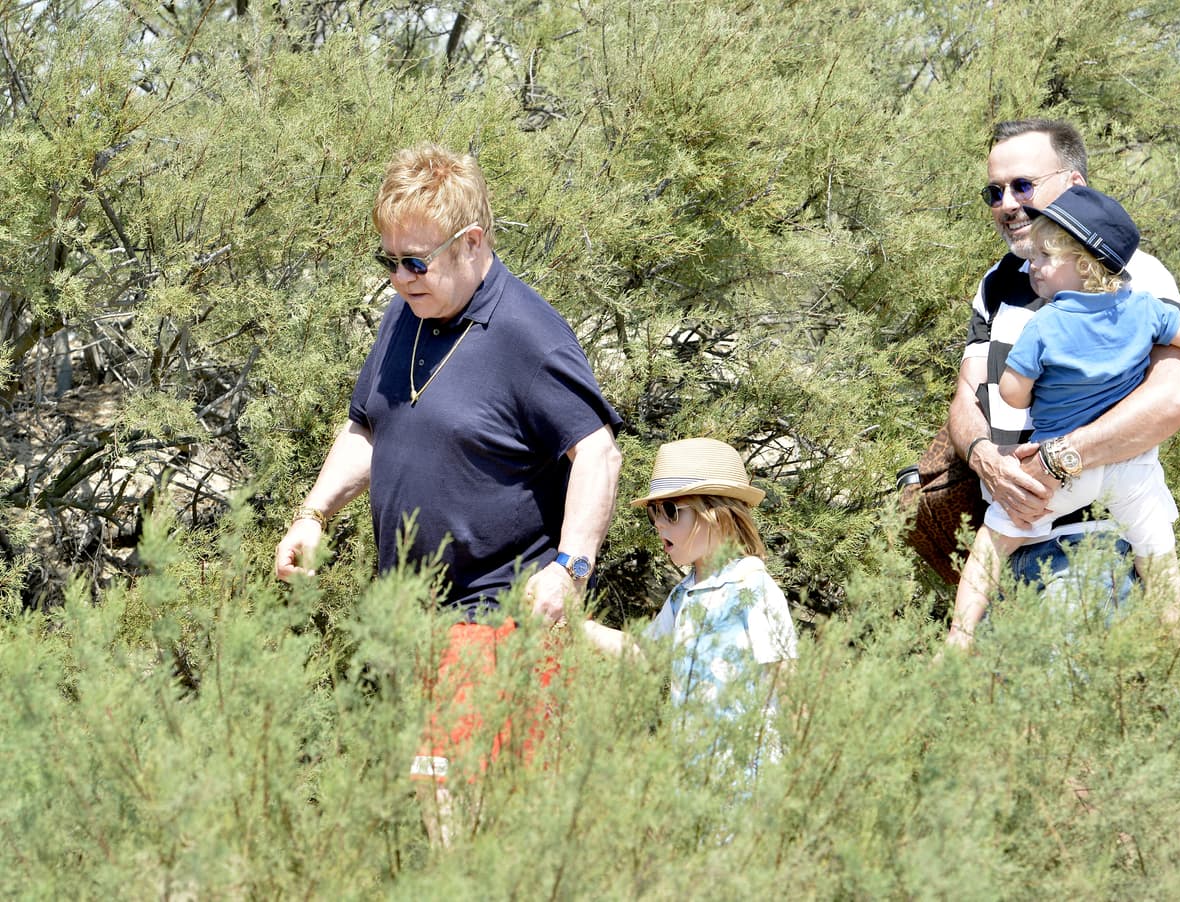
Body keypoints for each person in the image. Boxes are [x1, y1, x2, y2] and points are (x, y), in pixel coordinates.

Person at [272, 144, 623, 818]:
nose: (400, 278)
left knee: (447, 798)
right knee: (459, 813)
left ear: (471, 243)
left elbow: (597, 452)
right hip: (411, 616)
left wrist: (572, 567)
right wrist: (313, 516)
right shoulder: (405, 315)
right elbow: (368, 429)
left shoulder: (526, 332)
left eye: (415, 261)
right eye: (389, 261)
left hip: (497, 611)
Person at [946, 186, 1180, 650]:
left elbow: (1013, 393)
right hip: (1133, 469)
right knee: (1159, 555)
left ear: (1086, 263)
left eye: (1045, 257)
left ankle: (958, 637)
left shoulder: (1044, 326)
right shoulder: (1142, 308)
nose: (1033, 265)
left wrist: (1013, 386)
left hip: (1059, 471)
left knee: (992, 544)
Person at [582, 438, 798, 776]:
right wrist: (578, 626)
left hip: (746, 776)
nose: (658, 524)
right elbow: (644, 653)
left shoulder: (752, 587)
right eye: (654, 513)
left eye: (670, 511)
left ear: (719, 516)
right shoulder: (685, 594)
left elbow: (785, 681)